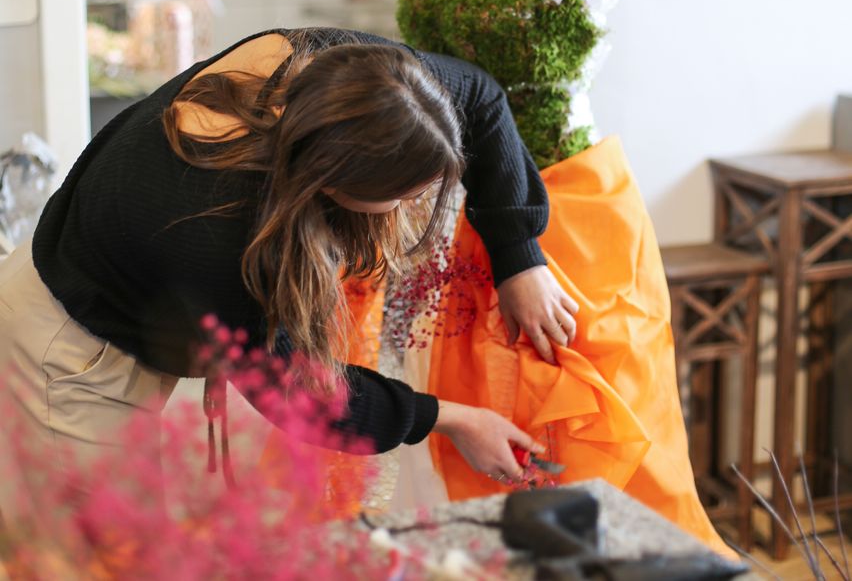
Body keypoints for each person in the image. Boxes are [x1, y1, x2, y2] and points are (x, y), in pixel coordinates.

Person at [0, 27, 578, 520]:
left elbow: (478, 97)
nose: (414, 205)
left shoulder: (340, 70)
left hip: (123, 282)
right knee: (100, 554)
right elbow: (308, 398)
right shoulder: (216, 236)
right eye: (406, 194)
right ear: (333, 182)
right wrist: (454, 419)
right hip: (70, 350)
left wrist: (519, 257)